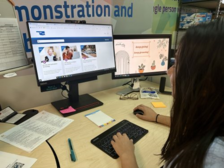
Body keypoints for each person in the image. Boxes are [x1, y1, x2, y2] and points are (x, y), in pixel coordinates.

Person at [111, 18, 224, 168]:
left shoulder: (204, 160)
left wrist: (127, 155)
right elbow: (193, 127)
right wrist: (157, 117)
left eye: (177, 64)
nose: (169, 70)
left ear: (205, 87)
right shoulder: (214, 126)